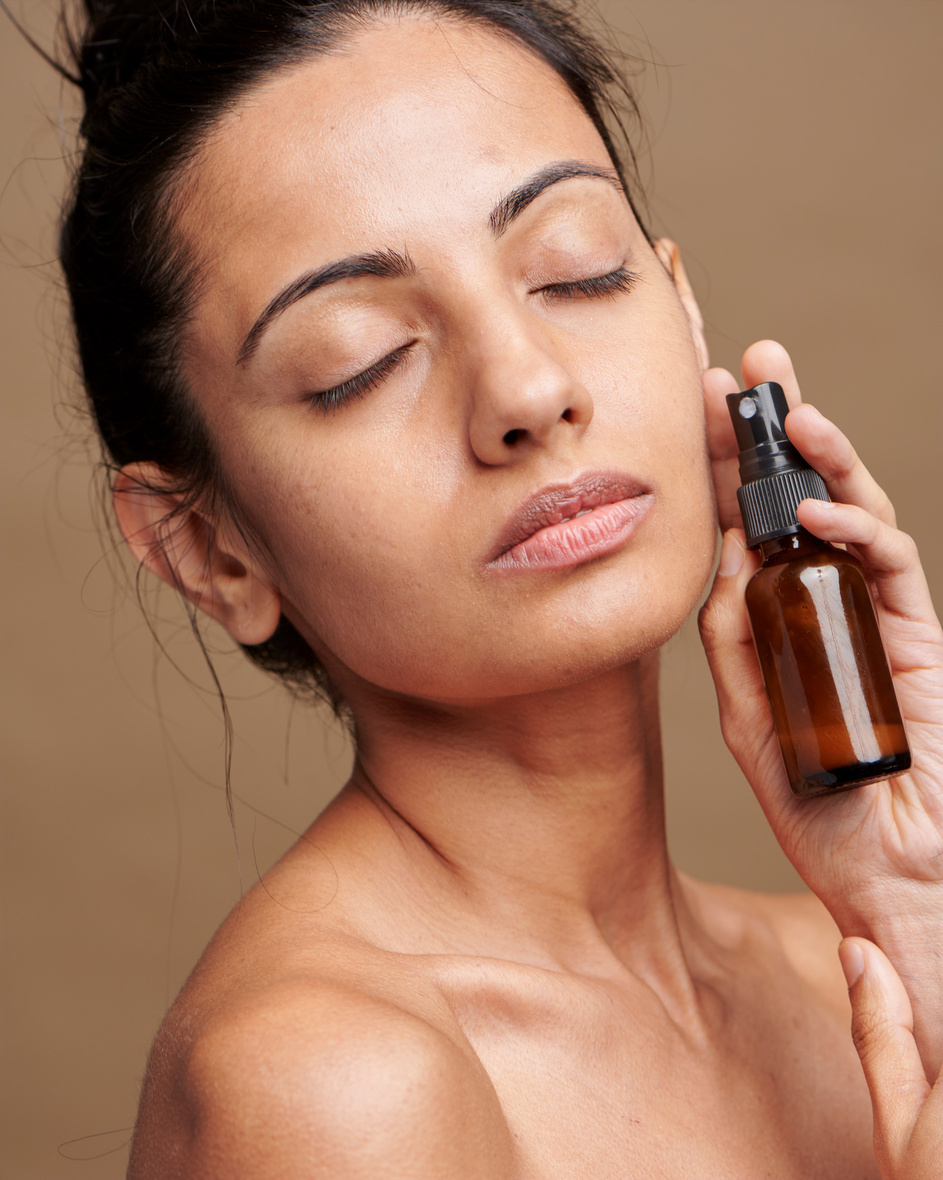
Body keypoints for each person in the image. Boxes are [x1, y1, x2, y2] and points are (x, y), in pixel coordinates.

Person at [46, 0, 943, 1175]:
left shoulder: (855, 963)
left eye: (574, 273)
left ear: (681, 309)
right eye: (360, 360)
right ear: (209, 549)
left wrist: (918, 900)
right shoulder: (332, 1086)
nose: (527, 387)